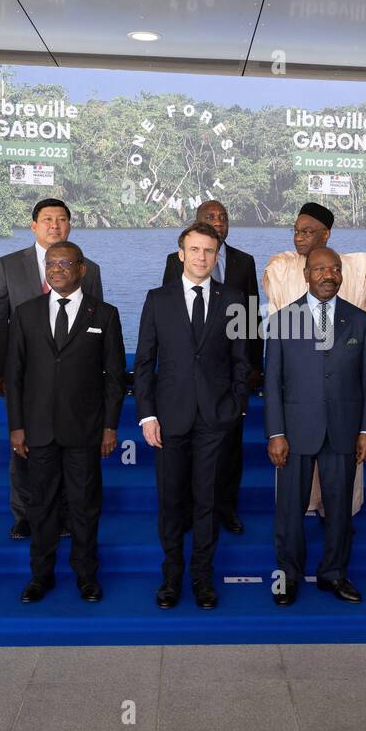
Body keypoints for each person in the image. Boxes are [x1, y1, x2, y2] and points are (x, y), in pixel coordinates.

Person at [135, 223, 251, 610]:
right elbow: (145, 363)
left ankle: (203, 578)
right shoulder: (157, 299)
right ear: (181, 253)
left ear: (217, 255)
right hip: (169, 419)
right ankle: (171, 578)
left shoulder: (235, 298)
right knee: (171, 503)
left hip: (216, 419)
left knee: (206, 502)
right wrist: (147, 416)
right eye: (195, 249)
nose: (202, 257)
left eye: (209, 251)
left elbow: (242, 361)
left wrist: (236, 406)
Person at [5, 241, 125, 604]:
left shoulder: (104, 314)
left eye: (65, 263)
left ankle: (86, 575)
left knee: (84, 506)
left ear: (82, 268)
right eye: (51, 263)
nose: (56, 269)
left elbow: (114, 377)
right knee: (41, 506)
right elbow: (15, 374)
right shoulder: (26, 313)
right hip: (38, 429)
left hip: (85, 430)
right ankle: (41, 576)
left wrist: (109, 426)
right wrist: (17, 425)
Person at [264, 247, 366, 606]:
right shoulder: (283, 320)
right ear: (306, 274)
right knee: (290, 511)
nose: (329, 275)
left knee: (339, 509)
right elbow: (272, 382)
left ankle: (334, 574)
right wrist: (276, 433)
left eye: (335, 269)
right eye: (320, 269)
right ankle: (289, 574)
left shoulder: (358, 320)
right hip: (295, 431)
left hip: (344, 430)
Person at [0, 198, 103, 541]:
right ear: (34, 225)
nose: (55, 225)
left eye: (62, 220)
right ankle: (25, 513)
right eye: (48, 219)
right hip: (24, 374)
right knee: (23, 444)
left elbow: (97, 320)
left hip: (73, 379)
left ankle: (67, 513)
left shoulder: (89, 269)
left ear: (70, 226)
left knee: (70, 444)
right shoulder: (9, 265)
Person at [262, 201, 366, 517]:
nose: (298, 238)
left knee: (339, 506)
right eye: (296, 231)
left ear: (326, 234)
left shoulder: (353, 267)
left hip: (342, 408)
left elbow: (364, 364)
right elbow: (274, 368)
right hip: (299, 407)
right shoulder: (279, 267)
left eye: (307, 231)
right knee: (292, 506)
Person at [162, 200, 261, 535]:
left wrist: (251, 368)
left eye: (224, 217)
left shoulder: (244, 262)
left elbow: (249, 319)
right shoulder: (173, 262)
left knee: (230, 451)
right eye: (210, 217)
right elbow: (169, 317)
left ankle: (226, 508)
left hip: (227, 379)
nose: (219, 222)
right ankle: (190, 511)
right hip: (186, 383)